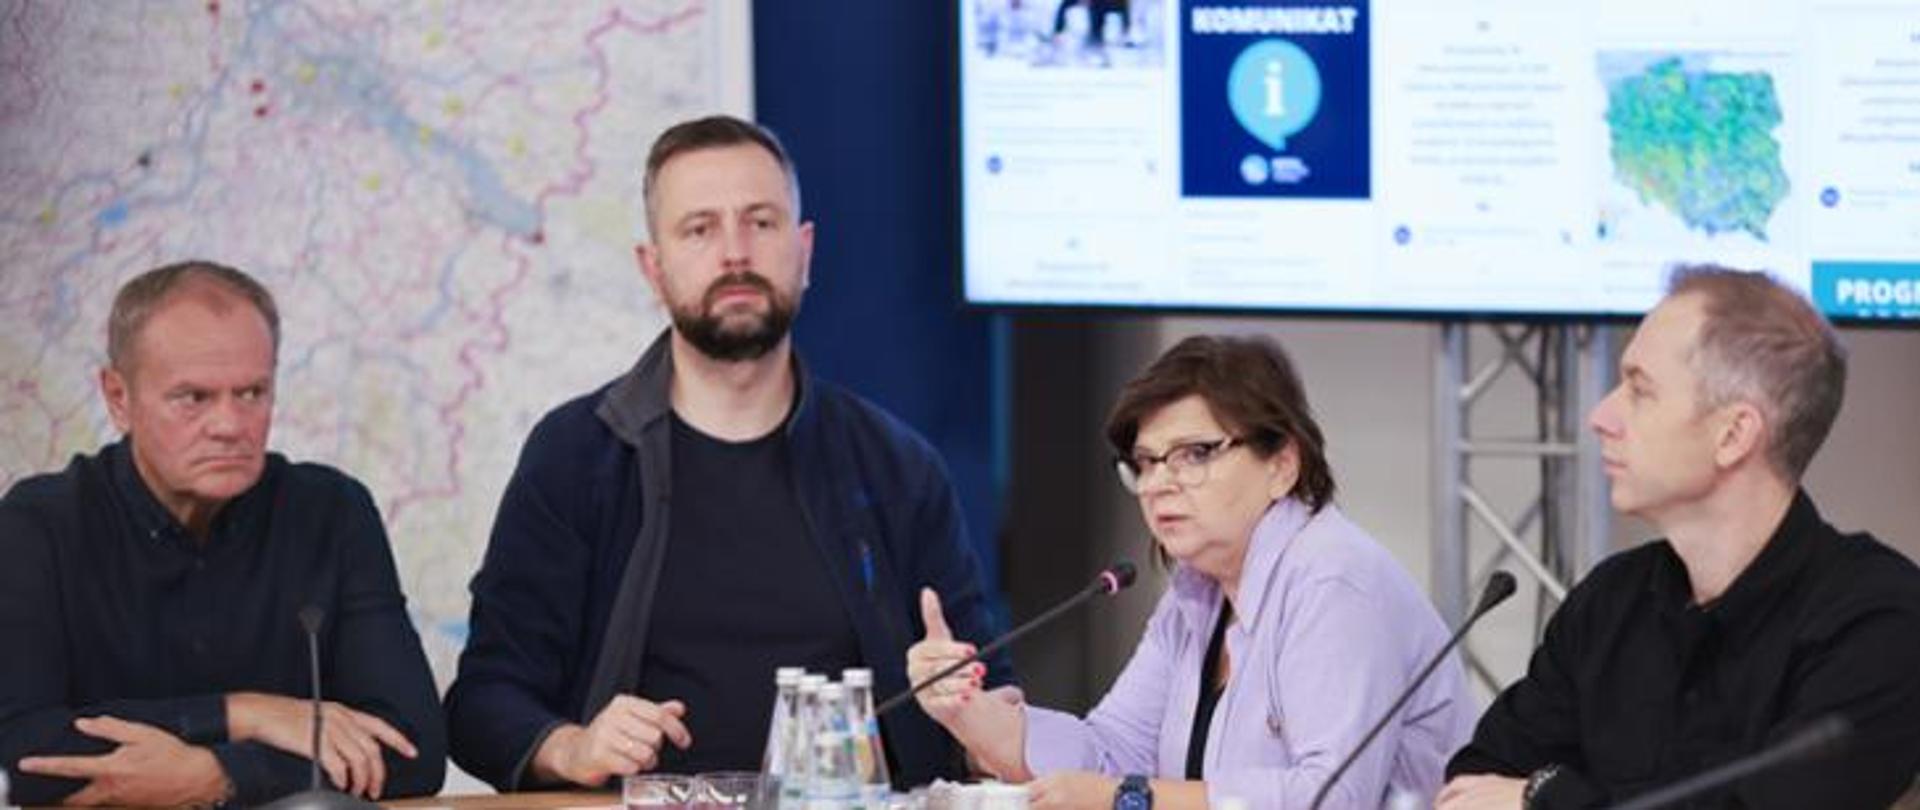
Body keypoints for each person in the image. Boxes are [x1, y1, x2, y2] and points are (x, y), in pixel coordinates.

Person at [444, 115, 1010, 791]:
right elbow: (483, 701)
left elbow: (996, 700)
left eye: (761, 223)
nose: (735, 253)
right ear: (653, 268)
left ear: (804, 251)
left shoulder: (896, 467)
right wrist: (573, 748)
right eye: (699, 229)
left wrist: (969, 712)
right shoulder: (575, 456)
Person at [909, 335, 1473, 809]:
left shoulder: (1334, 581)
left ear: (1282, 465)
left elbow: (1329, 798)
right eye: (1146, 463)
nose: (1158, 484)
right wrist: (966, 709)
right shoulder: (1197, 594)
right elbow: (1111, 752)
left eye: (1194, 454)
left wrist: (1129, 800)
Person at [1439, 266, 1920, 810]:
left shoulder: (1878, 621)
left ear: (1733, 435)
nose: (1601, 416)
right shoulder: (1609, 601)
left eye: (1639, 390)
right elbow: (1475, 785)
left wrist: (1546, 796)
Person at [0, 261, 446, 806]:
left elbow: (412, 750)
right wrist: (244, 714)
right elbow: (19, 750)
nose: (230, 425)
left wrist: (219, 775)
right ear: (119, 398)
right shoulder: (40, 524)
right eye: (193, 397)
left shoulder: (332, 511)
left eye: (252, 393)